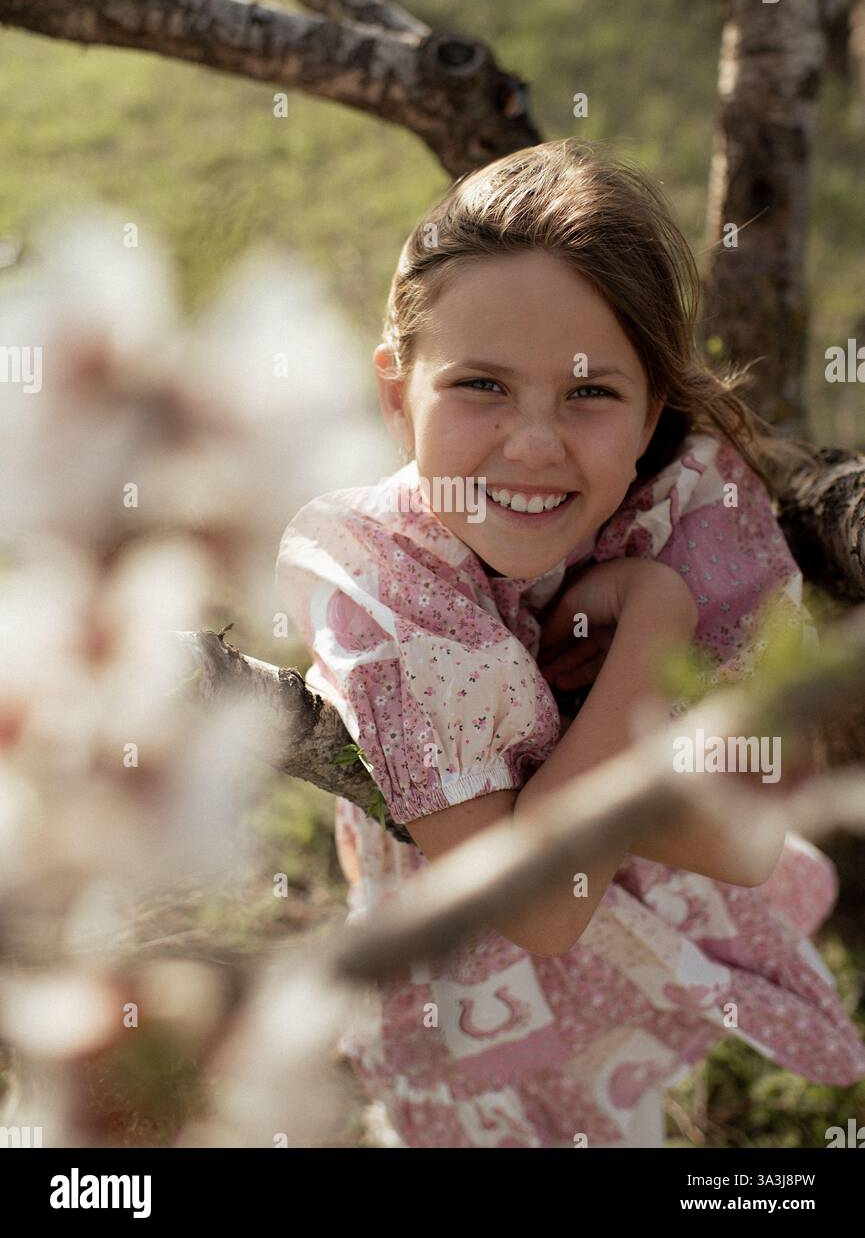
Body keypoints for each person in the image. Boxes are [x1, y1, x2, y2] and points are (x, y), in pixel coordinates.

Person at [275, 138, 865, 1148]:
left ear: (649, 412)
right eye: (482, 387)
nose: (535, 441)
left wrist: (551, 794)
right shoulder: (377, 579)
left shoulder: (696, 507)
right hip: (464, 1026)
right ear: (394, 392)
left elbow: (743, 834)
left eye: (590, 392)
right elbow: (542, 905)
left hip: (624, 1000)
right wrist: (655, 624)